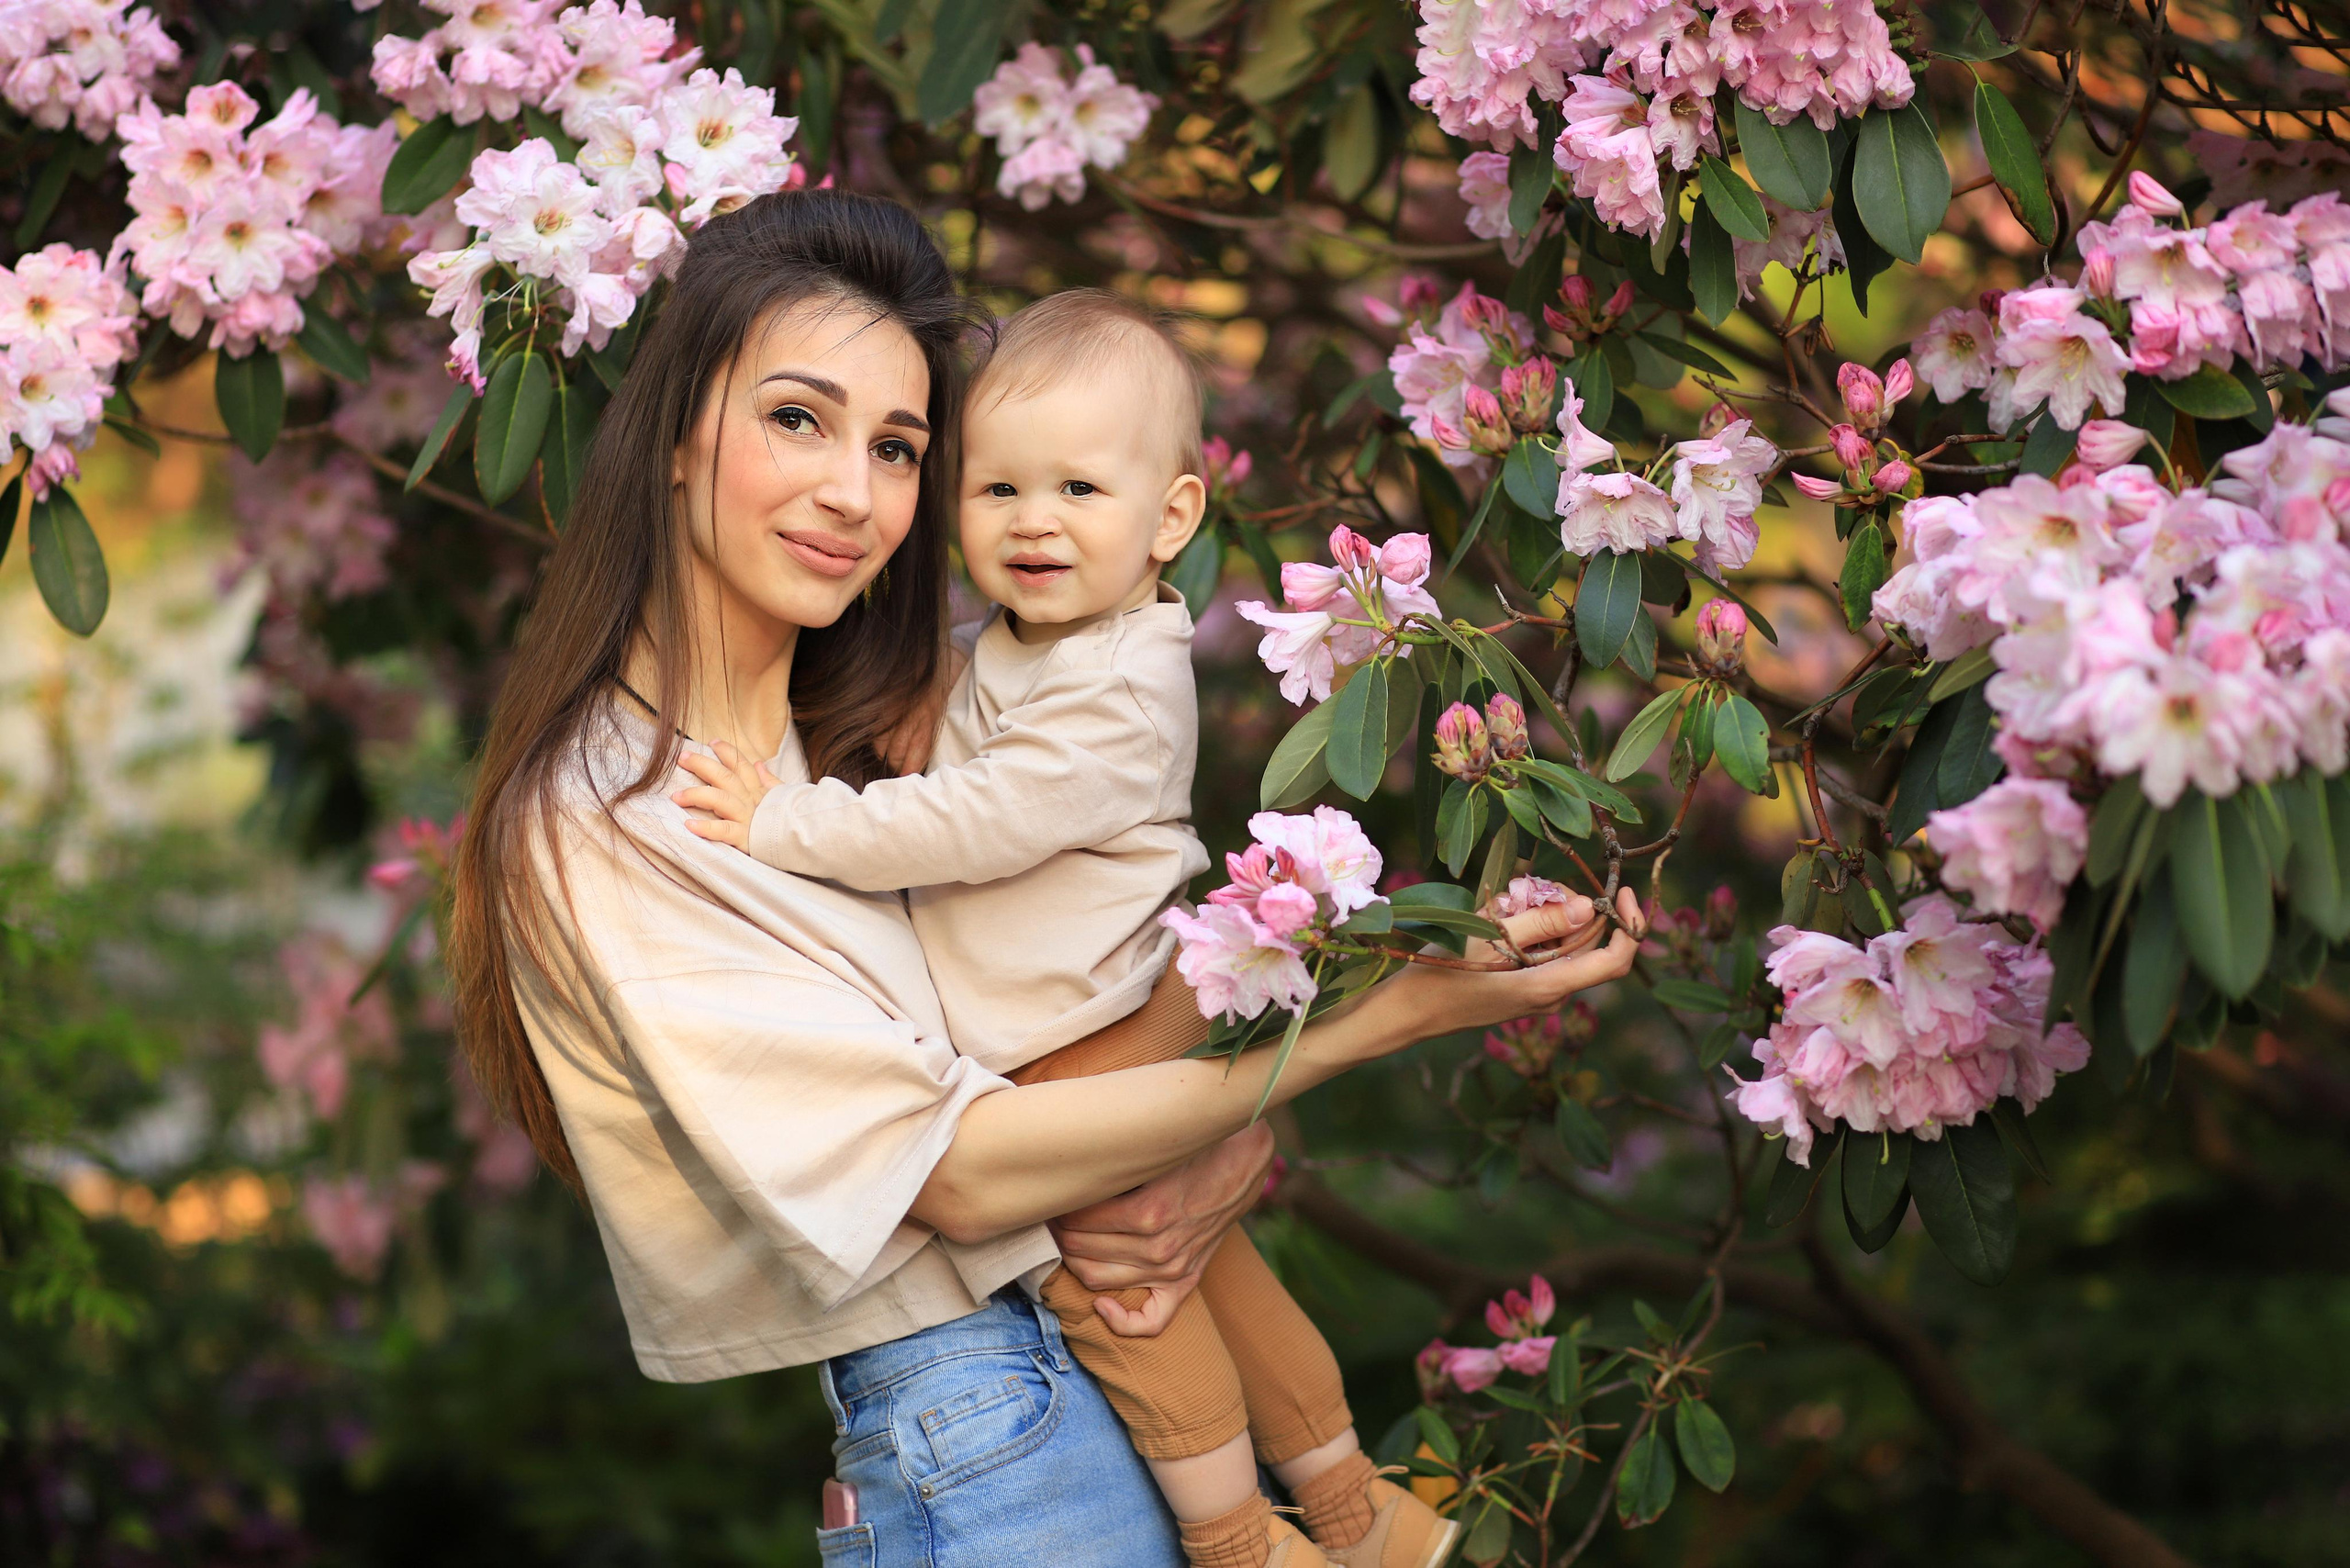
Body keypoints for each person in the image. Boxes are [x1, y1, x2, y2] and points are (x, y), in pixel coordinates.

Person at [445, 187, 1643, 1568]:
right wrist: (1383, 1019)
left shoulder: (906, 734)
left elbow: (1064, 1034)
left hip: (1113, 1380)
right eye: (796, 418)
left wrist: (1215, 1139)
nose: (854, 491)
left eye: (897, 447)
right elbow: (953, 1176)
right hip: (987, 1438)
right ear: (670, 434)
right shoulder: (611, 812)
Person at [669, 287, 1449, 1568]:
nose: (1033, 523)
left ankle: (1245, 1539)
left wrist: (780, 825)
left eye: (1080, 492)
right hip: (1097, 1012)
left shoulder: (1120, 689)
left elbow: (971, 822)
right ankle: (1363, 1511)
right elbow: (978, 744)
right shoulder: (1046, 640)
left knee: (1118, 1292)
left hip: (1095, 1029)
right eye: (996, 491)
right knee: (1211, 1273)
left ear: (1172, 519)